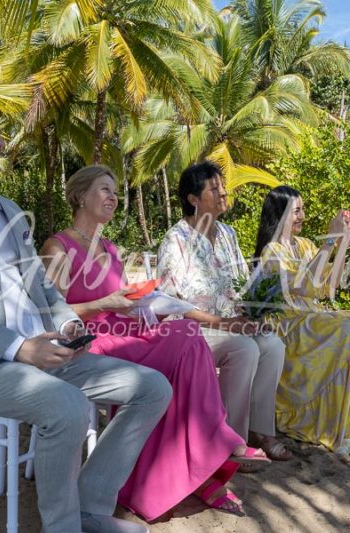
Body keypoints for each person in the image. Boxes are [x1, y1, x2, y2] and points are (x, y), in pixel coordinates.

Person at [0, 99, 172, 533]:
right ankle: (62, 527)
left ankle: (90, 511)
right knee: (69, 406)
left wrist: (67, 324)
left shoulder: (9, 209)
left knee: (152, 388)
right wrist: (18, 347)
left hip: (44, 351)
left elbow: (40, 286)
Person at [40, 165, 270, 521]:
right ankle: (216, 445)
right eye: (104, 190)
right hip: (93, 342)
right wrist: (106, 304)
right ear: (80, 196)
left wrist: (147, 304)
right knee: (185, 346)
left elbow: (122, 301)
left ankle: (204, 459)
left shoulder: (110, 248)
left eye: (115, 191)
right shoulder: (58, 246)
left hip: (127, 329)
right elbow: (51, 314)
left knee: (186, 336)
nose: (112, 198)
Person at [156, 161, 291, 463]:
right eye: (214, 188)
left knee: (272, 344)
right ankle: (230, 440)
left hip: (230, 324)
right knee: (244, 349)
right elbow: (173, 305)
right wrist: (228, 324)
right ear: (193, 199)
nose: (223, 192)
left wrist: (253, 317)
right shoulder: (175, 240)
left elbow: (241, 285)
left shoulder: (228, 234)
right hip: (192, 330)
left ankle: (260, 429)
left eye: (223, 186)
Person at [252, 185, 350, 455]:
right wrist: (330, 239)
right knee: (349, 333)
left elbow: (328, 287)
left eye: (303, 209)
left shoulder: (303, 245)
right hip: (286, 321)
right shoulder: (271, 251)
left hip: (309, 314)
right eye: (297, 211)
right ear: (280, 215)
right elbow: (305, 286)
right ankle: (335, 427)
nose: (302, 216)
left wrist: (342, 243)